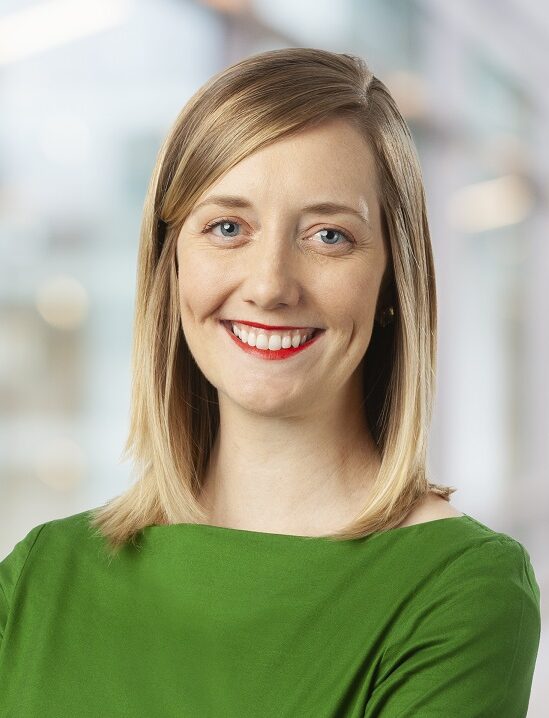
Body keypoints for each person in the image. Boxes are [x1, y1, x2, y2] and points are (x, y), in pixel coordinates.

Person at [0, 48, 540, 717]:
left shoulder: (461, 588)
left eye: (327, 236)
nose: (268, 286)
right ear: (170, 265)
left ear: (391, 281)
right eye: (227, 227)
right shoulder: (40, 574)